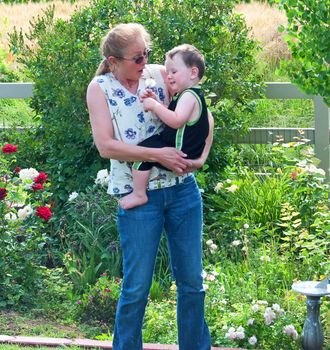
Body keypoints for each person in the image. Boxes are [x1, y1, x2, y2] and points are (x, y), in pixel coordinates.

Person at [86, 23, 213, 350]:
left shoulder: (159, 75)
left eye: (147, 54)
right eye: (137, 57)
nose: (145, 62)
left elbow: (200, 111)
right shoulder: (100, 88)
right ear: (114, 61)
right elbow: (106, 147)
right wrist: (156, 154)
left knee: (191, 284)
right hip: (139, 200)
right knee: (137, 287)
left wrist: (199, 158)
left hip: (183, 191)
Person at [119, 44, 209, 210]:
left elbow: (176, 121)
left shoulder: (189, 95)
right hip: (184, 149)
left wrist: (154, 105)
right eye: (167, 73)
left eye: (173, 72)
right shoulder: (188, 95)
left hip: (179, 151)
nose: (168, 77)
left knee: (142, 151)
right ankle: (140, 192)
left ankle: (139, 193)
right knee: (149, 146)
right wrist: (158, 102)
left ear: (193, 72)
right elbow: (173, 114)